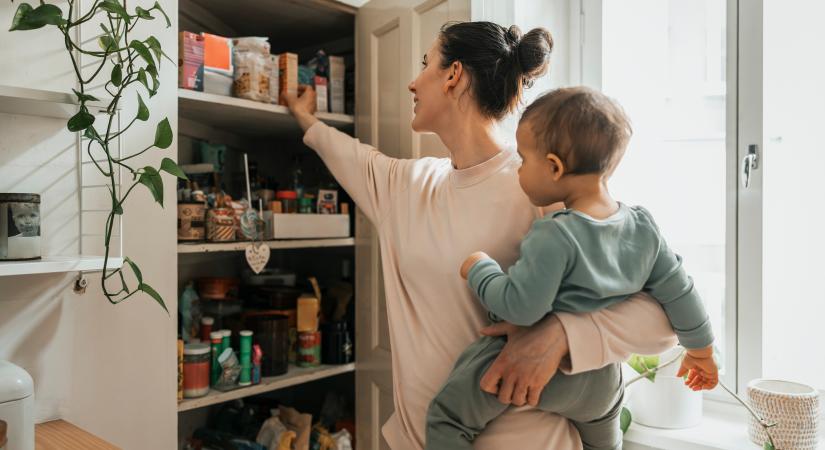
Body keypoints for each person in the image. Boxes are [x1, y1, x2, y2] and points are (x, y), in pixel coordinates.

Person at [284, 21, 678, 450]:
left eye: (425, 64)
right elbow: (348, 154)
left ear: (453, 75)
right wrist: (305, 116)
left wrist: (562, 335)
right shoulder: (406, 184)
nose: (413, 83)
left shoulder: (540, 185)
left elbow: (663, 320)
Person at [426, 87, 718, 450]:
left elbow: (520, 307)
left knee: (446, 419)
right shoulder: (644, 227)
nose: (519, 169)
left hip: (541, 374)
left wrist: (481, 270)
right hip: (600, 384)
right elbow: (681, 293)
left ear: (553, 167)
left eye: (523, 159)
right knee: (606, 439)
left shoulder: (555, 235)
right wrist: (701, 352)